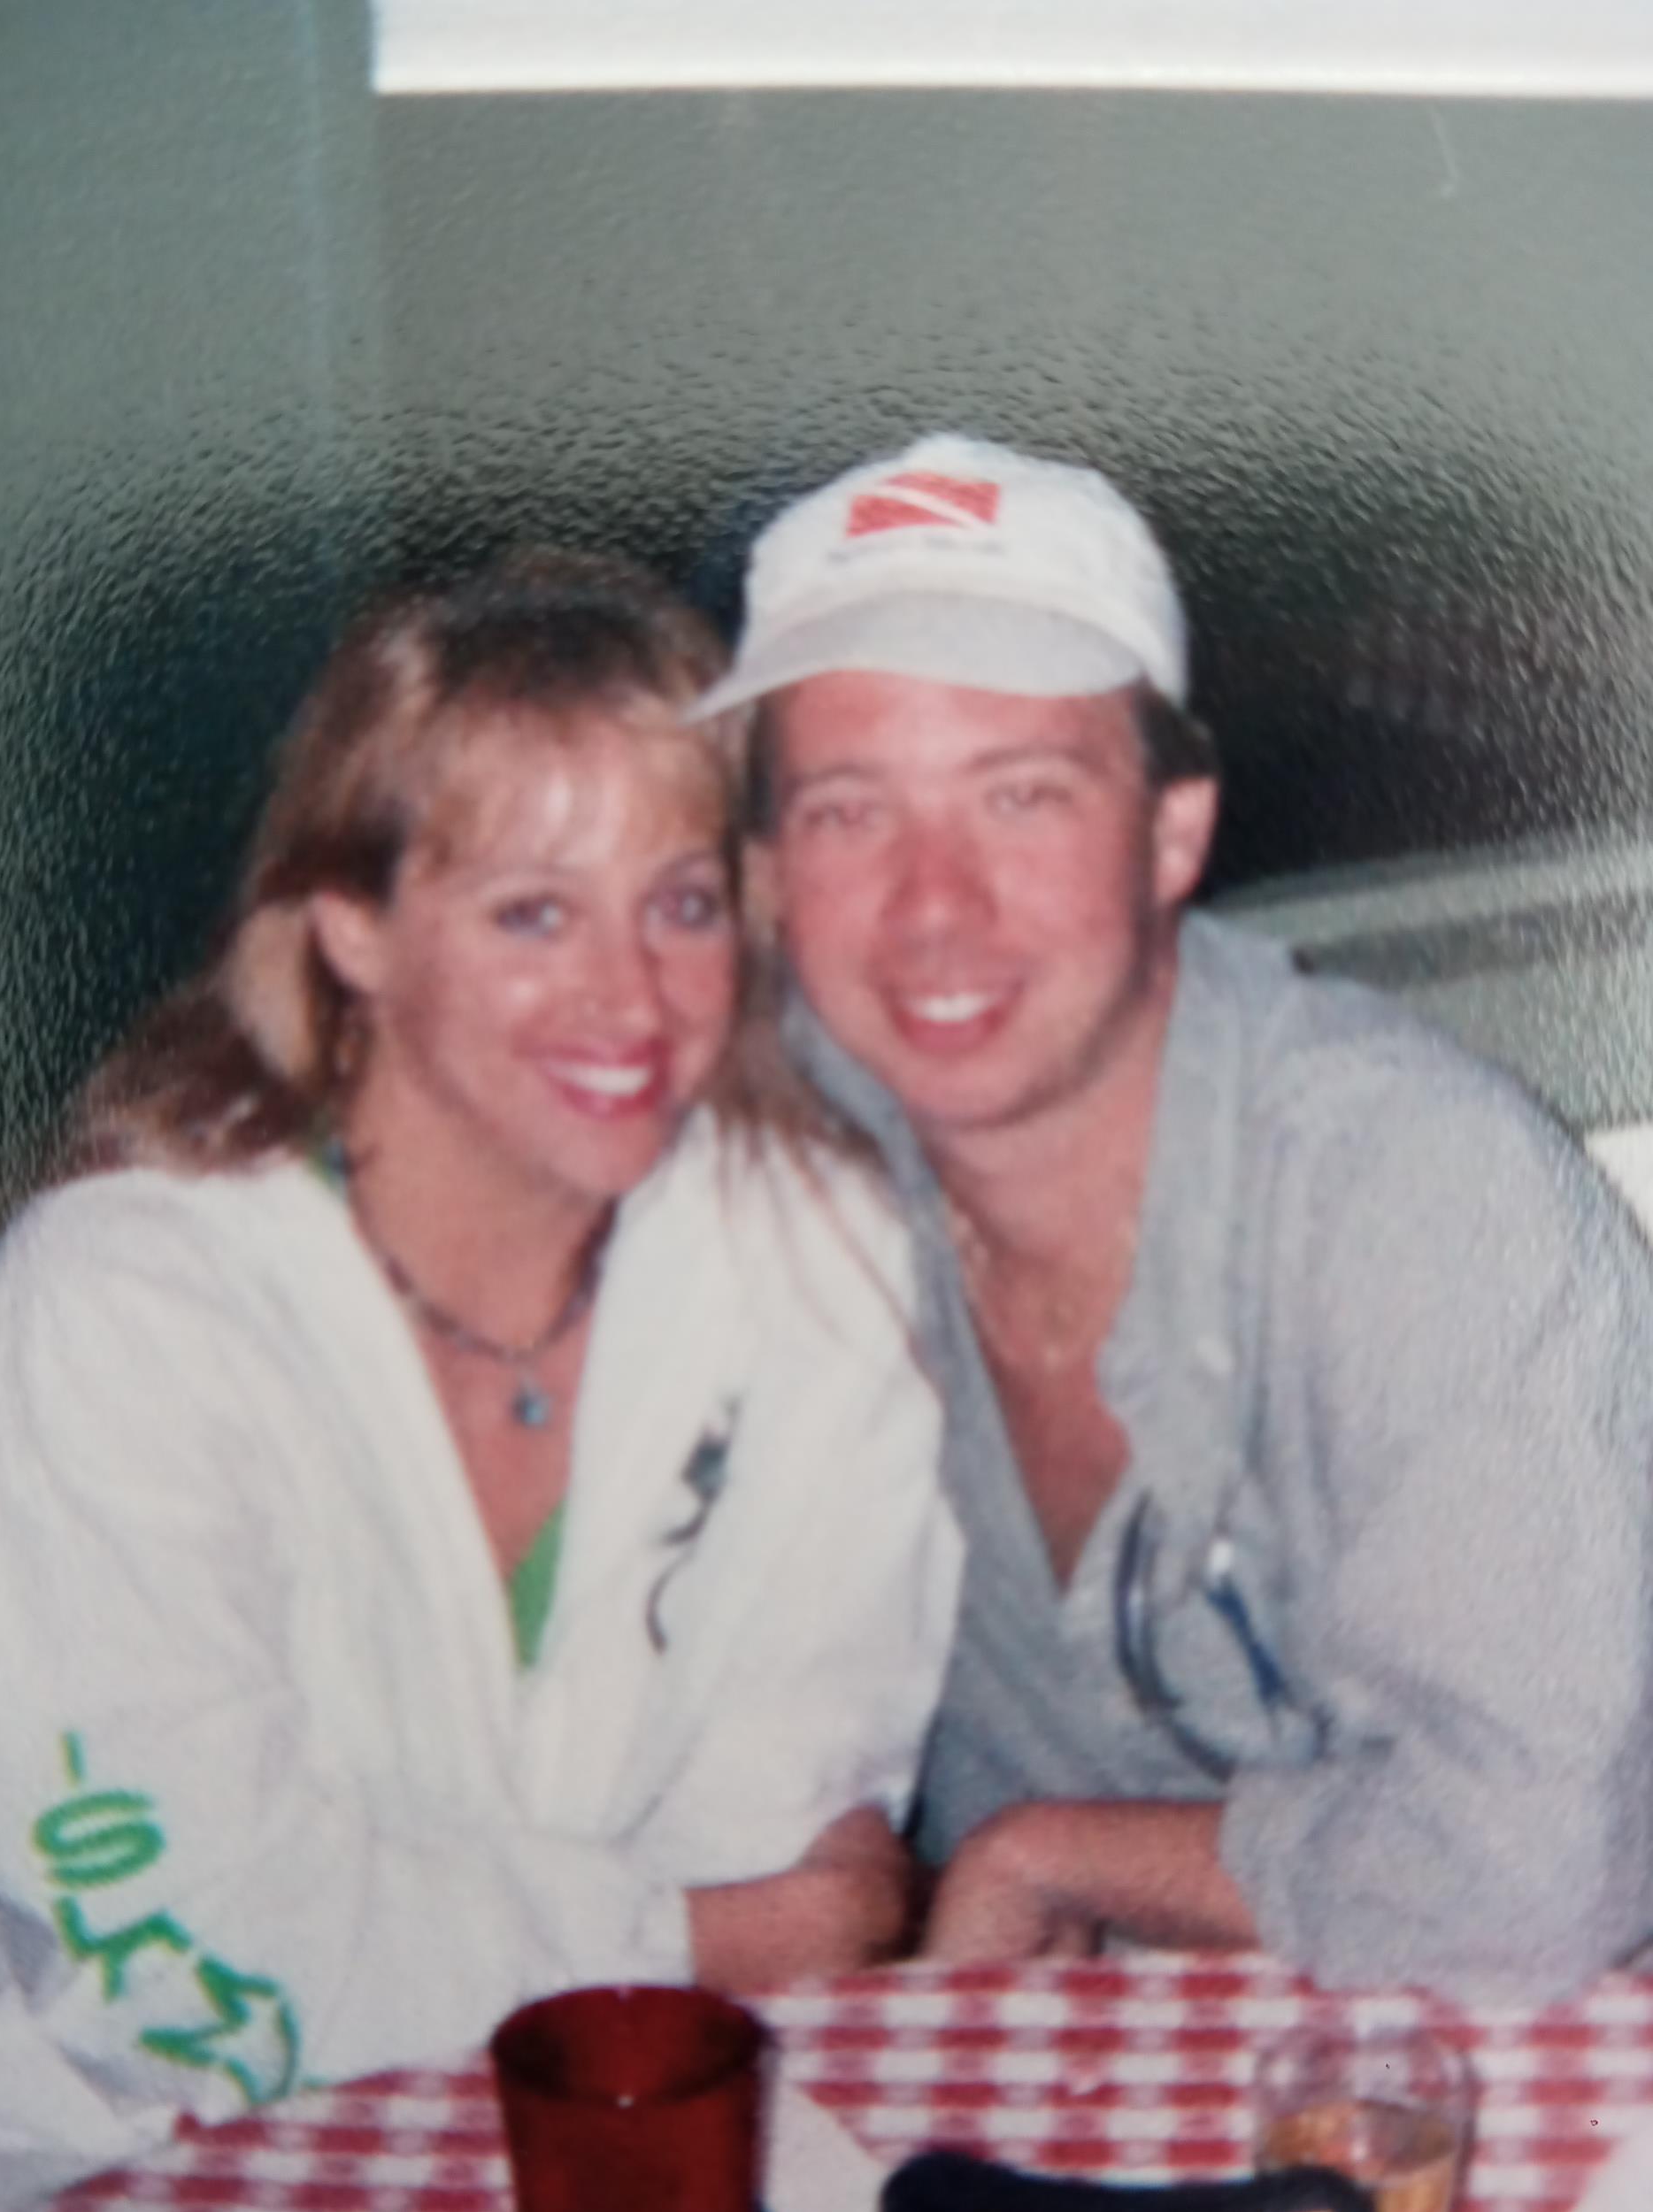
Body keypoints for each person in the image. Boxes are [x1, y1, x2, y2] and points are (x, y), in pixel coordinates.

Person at [0, 552, 958, 2212]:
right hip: (103, 2160)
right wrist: (698, 1939)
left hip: (630, 2146)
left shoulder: (817, 1263)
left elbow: (796, 1824)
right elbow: (204, 1947)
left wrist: (699, 1946)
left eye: (683, 902)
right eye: (532, 913)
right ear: (352, 930)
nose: (631, 999)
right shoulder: (121, 1314)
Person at [693, 428, 1653, 2002]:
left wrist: (1053, 1851)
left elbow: (1544, 1867)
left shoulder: (1416, 1200)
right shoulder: (778, 1141)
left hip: (1503, 2093)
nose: (935, 903)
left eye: (1020, 797)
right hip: (1049, 2104)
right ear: (770, 870)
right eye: (852, 811)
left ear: (1171, 831)